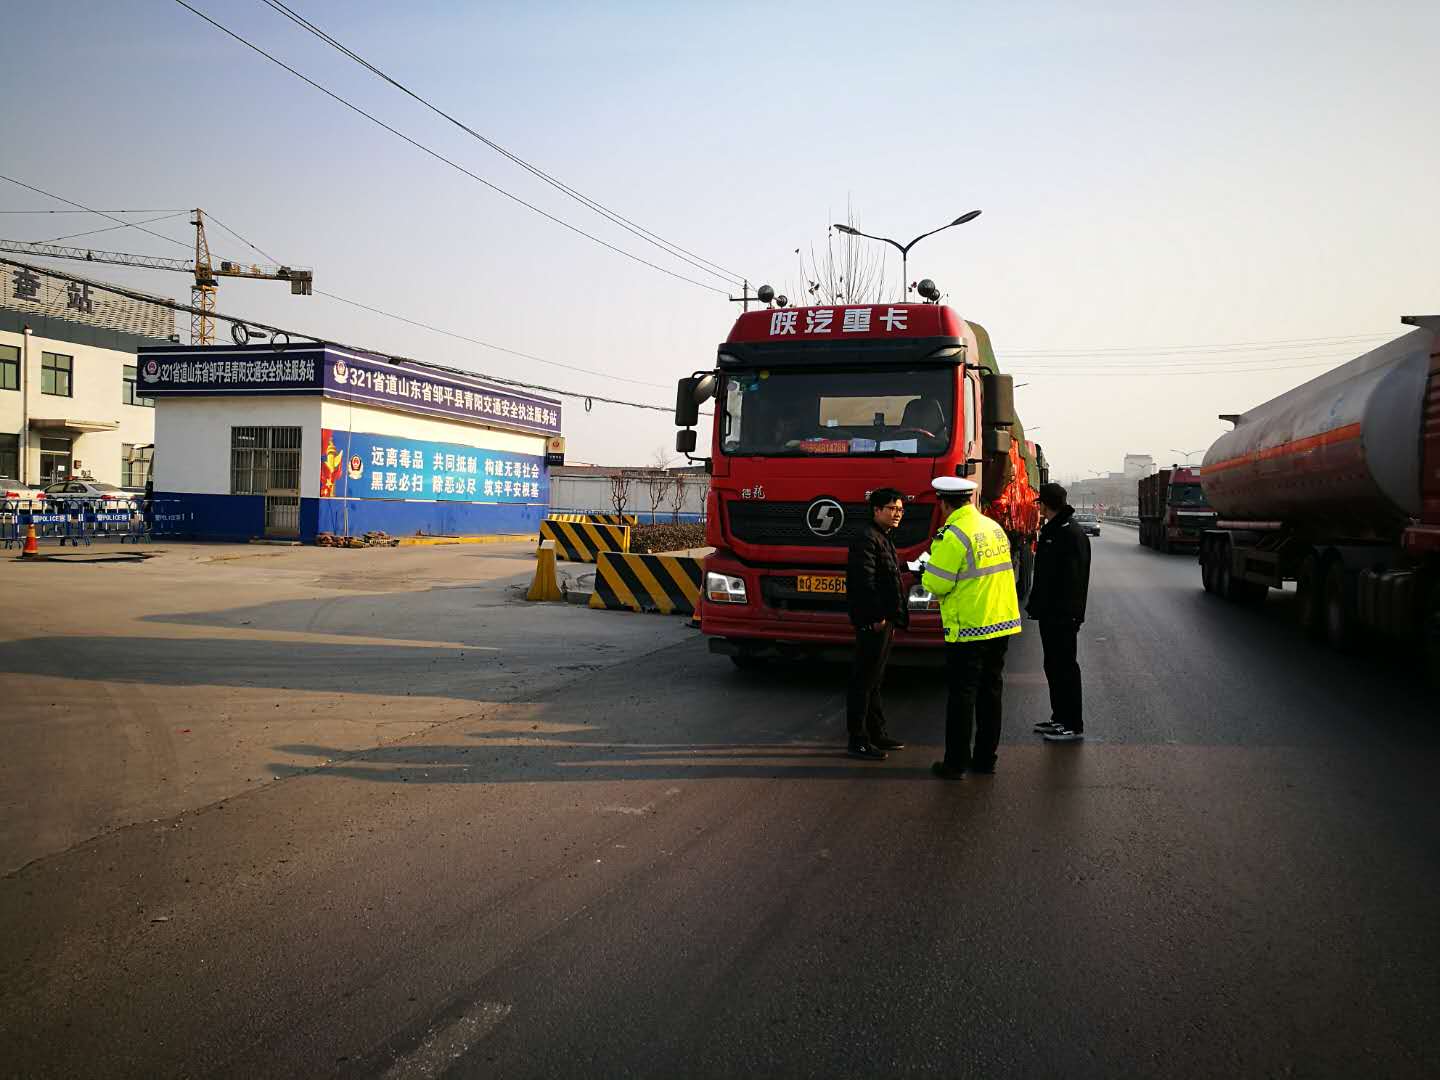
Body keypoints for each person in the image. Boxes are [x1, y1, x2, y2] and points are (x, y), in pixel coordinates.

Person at [921, 476, 1023, 779]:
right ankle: (985, 759)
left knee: (962, 696)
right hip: (1000, 622)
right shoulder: (993, 527)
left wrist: (925, 571)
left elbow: (936, 583)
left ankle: (955, 764)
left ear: (943, 503)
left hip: (969, 627)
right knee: (991, 693)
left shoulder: (953, 535)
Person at [845, 487, 910, 760]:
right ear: (876, 510)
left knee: (875, 680)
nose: (897, 514)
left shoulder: (882, 536)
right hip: (874, 621)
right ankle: (858, 739)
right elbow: (864, 582)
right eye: (892, 509)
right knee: (864, 680)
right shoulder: (866, 538)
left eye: (900, 510)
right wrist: (876, 617)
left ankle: (877, 733)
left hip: (884, 618)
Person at [1026, 482, 1092, 742]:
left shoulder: (1069, 533)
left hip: (1062, 615)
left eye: (1040, 504)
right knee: (1053, 666)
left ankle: (1072, 724)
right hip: (1051, 613)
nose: (1039, 509)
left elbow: (1075, 580)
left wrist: (1072, 615)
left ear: (1045, 505)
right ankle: (1059, 718)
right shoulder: (1055, 530)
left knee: (1065, 668)